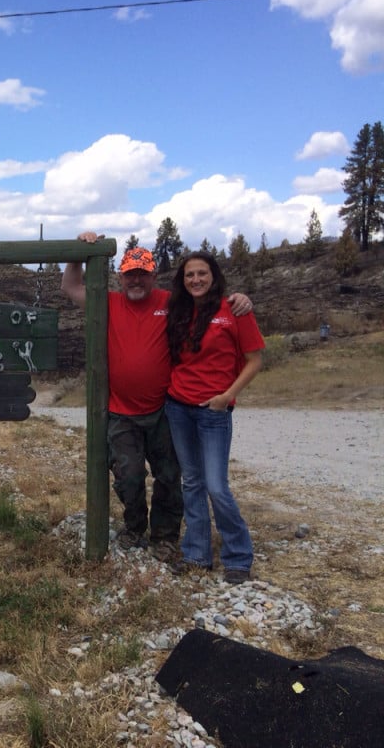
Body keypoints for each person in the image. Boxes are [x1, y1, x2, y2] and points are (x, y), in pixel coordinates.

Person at [61, 233, 252, 563]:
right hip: (121, 413)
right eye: (130, 273)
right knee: (129, 475)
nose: (136, 279)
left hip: (165, 409)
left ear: (153, 276)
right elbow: (70, 288)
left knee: (170, 476)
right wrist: (78, 252)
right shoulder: (107, 301)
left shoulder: (170, 302)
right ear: (120, 276)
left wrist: (240, 300)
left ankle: (164, 536)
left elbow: (209, 300)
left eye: (143, 273)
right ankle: (134, 526)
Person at [163, 252, 264, 585]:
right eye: (189, 274)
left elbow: (254, 360)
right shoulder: (177, 310)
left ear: (214, 275)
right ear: (182, 279)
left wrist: (226, 396)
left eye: (202, 273)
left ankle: (238, 555)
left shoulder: (233, 310)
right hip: (178, 407)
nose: (195, 280)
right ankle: (196, 554)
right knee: (191, 482)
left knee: (217, 486)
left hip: (214, 411)